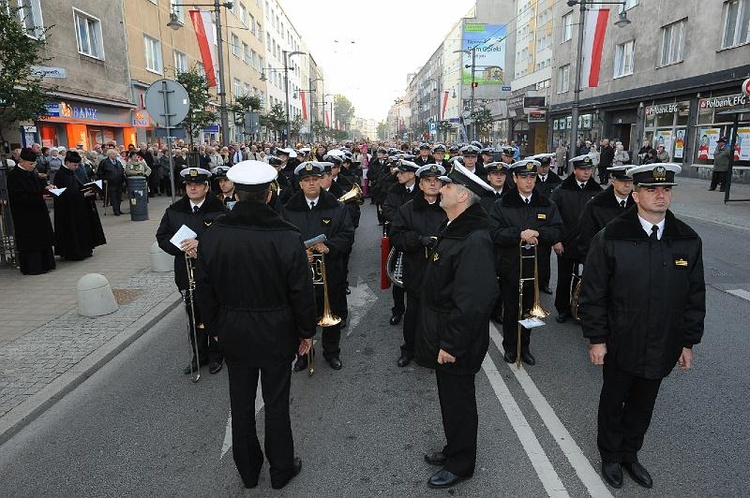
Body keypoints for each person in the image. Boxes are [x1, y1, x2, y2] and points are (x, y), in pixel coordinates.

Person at [579, 163, 705, 490]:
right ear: (635, 195)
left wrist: (688, 343)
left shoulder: (687, 240)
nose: (660, 195)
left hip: (663, 342)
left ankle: (630, 454)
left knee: (643, 404)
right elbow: (593, 294)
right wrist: (597, 339)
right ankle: (610, 455)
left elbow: (694, 296)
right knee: (614, 400)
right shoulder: (611, 238)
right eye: (651, 189)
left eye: (666, 189)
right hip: (622, 341)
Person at [195, 160, 315, 490]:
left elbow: (203, 288)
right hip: (278, 330)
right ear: (268, 195)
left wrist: (216, 326)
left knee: (241, 404)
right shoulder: (287, 237)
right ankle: (280, 469)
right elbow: (301, 291)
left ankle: (248, 471)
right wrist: (306, 332)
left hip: (232, 329)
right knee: (277, 404)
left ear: (235, 193)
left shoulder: (215, 234)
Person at [415, 162, 498, 490]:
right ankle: (454, 448)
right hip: (444, 331)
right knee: (450, 399)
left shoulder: (474, 239)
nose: (441, 188)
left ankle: (462, 463)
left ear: (463, 195)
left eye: (448, 186)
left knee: (459, 402)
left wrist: (450, 344)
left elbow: (474, 301)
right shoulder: (456, 227)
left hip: (455, 339)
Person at [282, 162, 354, 372]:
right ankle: (304, 355)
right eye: (307, 180)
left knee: (331, 314)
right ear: (300, 184)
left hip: (330, 271)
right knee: (300, 315)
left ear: (322, 180)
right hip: (299, 273)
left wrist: (328, 246)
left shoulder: (337, 207)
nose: (312, 183)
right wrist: (298, 251)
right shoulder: (288, 210)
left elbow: (347, 235)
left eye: (315, 179)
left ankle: (332, 353)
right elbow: (282, 239)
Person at [156, 167, 228, 375]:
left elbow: (227, 238)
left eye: (197, 184)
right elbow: (162, 237)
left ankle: (217, 355)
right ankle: (199, 355)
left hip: (214, 272)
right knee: (194, 315)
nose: (193, 187)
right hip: (186, 271)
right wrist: (182, 248)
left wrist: (201, 246)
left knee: (214, 313)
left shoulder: (220, 209)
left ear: (206, 186)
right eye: (189, 184)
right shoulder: (174, 210)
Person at [489, 160, 562, 365]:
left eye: (532, 177)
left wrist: (539, 232)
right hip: (511, 267)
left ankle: (525, 346)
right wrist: (518, 234)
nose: (529, 181)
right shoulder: (502, 204)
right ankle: (510, 347)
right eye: (524, 177)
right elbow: (494, 233)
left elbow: (558, 230)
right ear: (515, 179)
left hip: (536, 268)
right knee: (511, 310)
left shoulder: (547, 204)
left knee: (531, 311)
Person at [389, 163, 447, 368]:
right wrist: (418, 239)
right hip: (417, 270)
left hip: (443, 272)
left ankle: (436, 351)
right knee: (413, 314)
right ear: (420, 185)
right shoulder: (407, 209)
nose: (433, 184)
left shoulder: (450, 206)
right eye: (428, 181)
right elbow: (396, 236)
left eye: (437, 181)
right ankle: (409, 350)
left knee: (441, 315)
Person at [549, 154, 602, 323]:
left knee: (586, 279)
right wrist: (556, 240)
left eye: (589, 169)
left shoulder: (597, 191)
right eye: (583, 169)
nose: (587, 172)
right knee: (564, 277)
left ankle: (579, 308)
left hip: (588, 244)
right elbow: (553, 217)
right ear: (575, 170)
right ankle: (563, 309)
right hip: (566, 242)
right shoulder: (561, 190)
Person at [6, 147, 56, 274]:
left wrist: (47, 188)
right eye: (30, 164)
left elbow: (37, 188)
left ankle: (47, 264)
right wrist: (39, 196)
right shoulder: (14, 175)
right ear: (21, 161)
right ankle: (34, 267)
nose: (33, 166)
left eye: (34, 163)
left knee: (43, 238)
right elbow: (19, 196)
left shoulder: (32, 172)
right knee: (31, 241)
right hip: (25, 214)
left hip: (38, 210)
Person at [53, 151, 106, 261]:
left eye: (78, 165)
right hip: (68, 210)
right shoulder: (61, 174)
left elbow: (77, 187)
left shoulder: (72, 172)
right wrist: (82, 194)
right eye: (75, 165)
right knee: (73, 231)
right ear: (67, 163)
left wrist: (87, 190)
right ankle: (74, 252)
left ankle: (85, 249)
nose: (76, 167)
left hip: (79, 207)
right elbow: (64, 193)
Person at [576, 165, 635, 262]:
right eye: (622, 181)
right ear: (613, 180)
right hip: (603, 260)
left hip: (631, 261)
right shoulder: (596, 204)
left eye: (630, 181)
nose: (627, 185)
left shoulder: (639, 204)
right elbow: (586, 235)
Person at [533, 155, 562, 294]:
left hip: (547, 223)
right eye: (541, 166)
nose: (544, 169)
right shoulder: (531, 179)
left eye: (546, 166)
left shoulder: (556, 181)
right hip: (532, 221)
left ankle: (544, 283)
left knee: (545, 256)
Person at [98, 149, 126, 215]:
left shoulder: (117, 162)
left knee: (119, 197)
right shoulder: (104, 162)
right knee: (113, 197)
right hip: (110, 182)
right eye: (113, 154)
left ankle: (118, 209)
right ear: (109, 155)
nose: (115, 155)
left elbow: (122, 170)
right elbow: (100, 172)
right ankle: (115, 210)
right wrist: (104, 179)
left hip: (119, 182)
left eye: (115, 154)